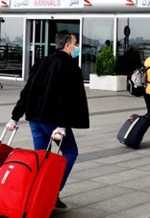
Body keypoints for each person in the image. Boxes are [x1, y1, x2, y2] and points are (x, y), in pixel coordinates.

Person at [5, 30, 90, 210]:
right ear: (67, 45)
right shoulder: (70, 66)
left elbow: (27, 90)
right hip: (53, 121)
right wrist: (62, 125)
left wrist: (15, 117)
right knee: (70, 152)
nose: (77, 47)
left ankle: (36, 194)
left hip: (35, 118)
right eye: (75, 43)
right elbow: (67, 98)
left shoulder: (42, 62)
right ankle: (51, 191)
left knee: (41, 159)